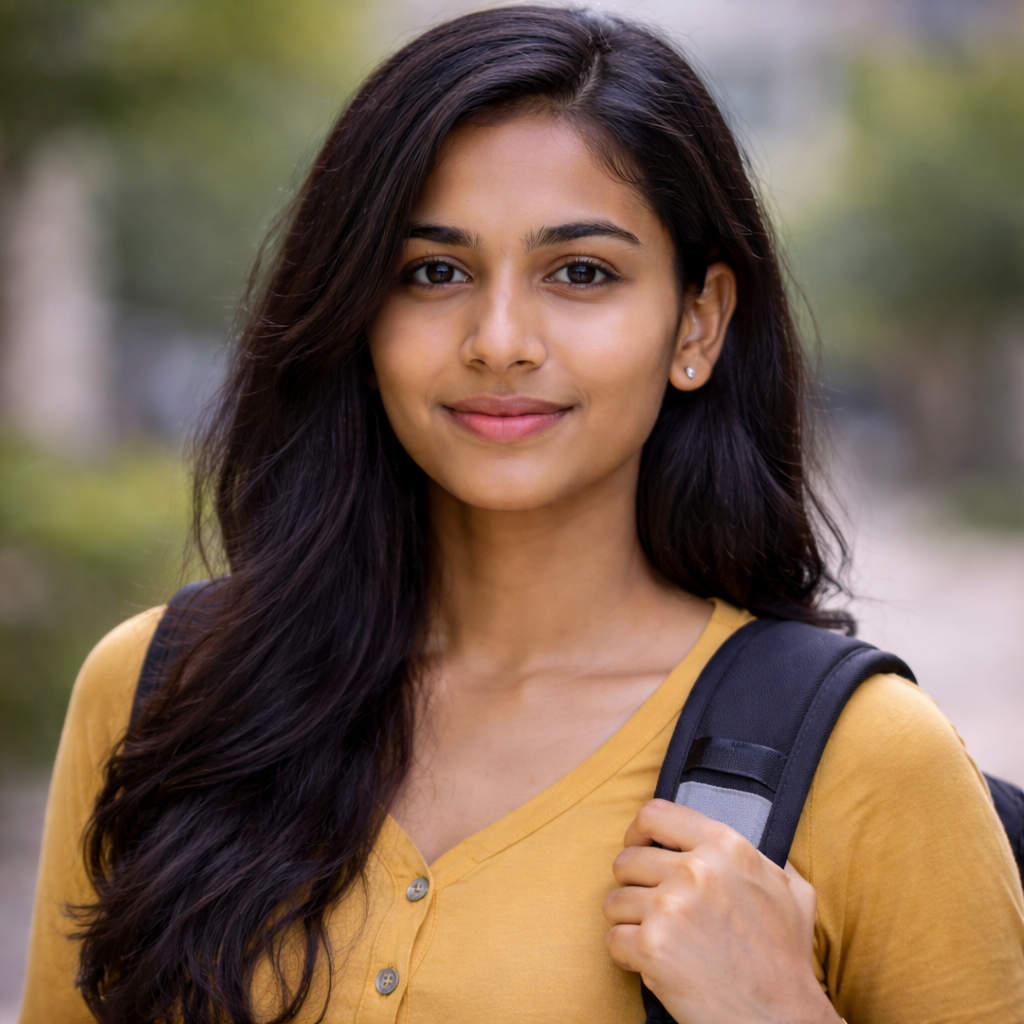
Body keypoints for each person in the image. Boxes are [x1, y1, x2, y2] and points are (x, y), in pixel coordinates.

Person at [19, 7, 1024, 1023]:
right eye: (434, 272)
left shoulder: (871, 763)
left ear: (698, 321)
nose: (498, 340)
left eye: (580, 273)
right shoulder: (162, 695)